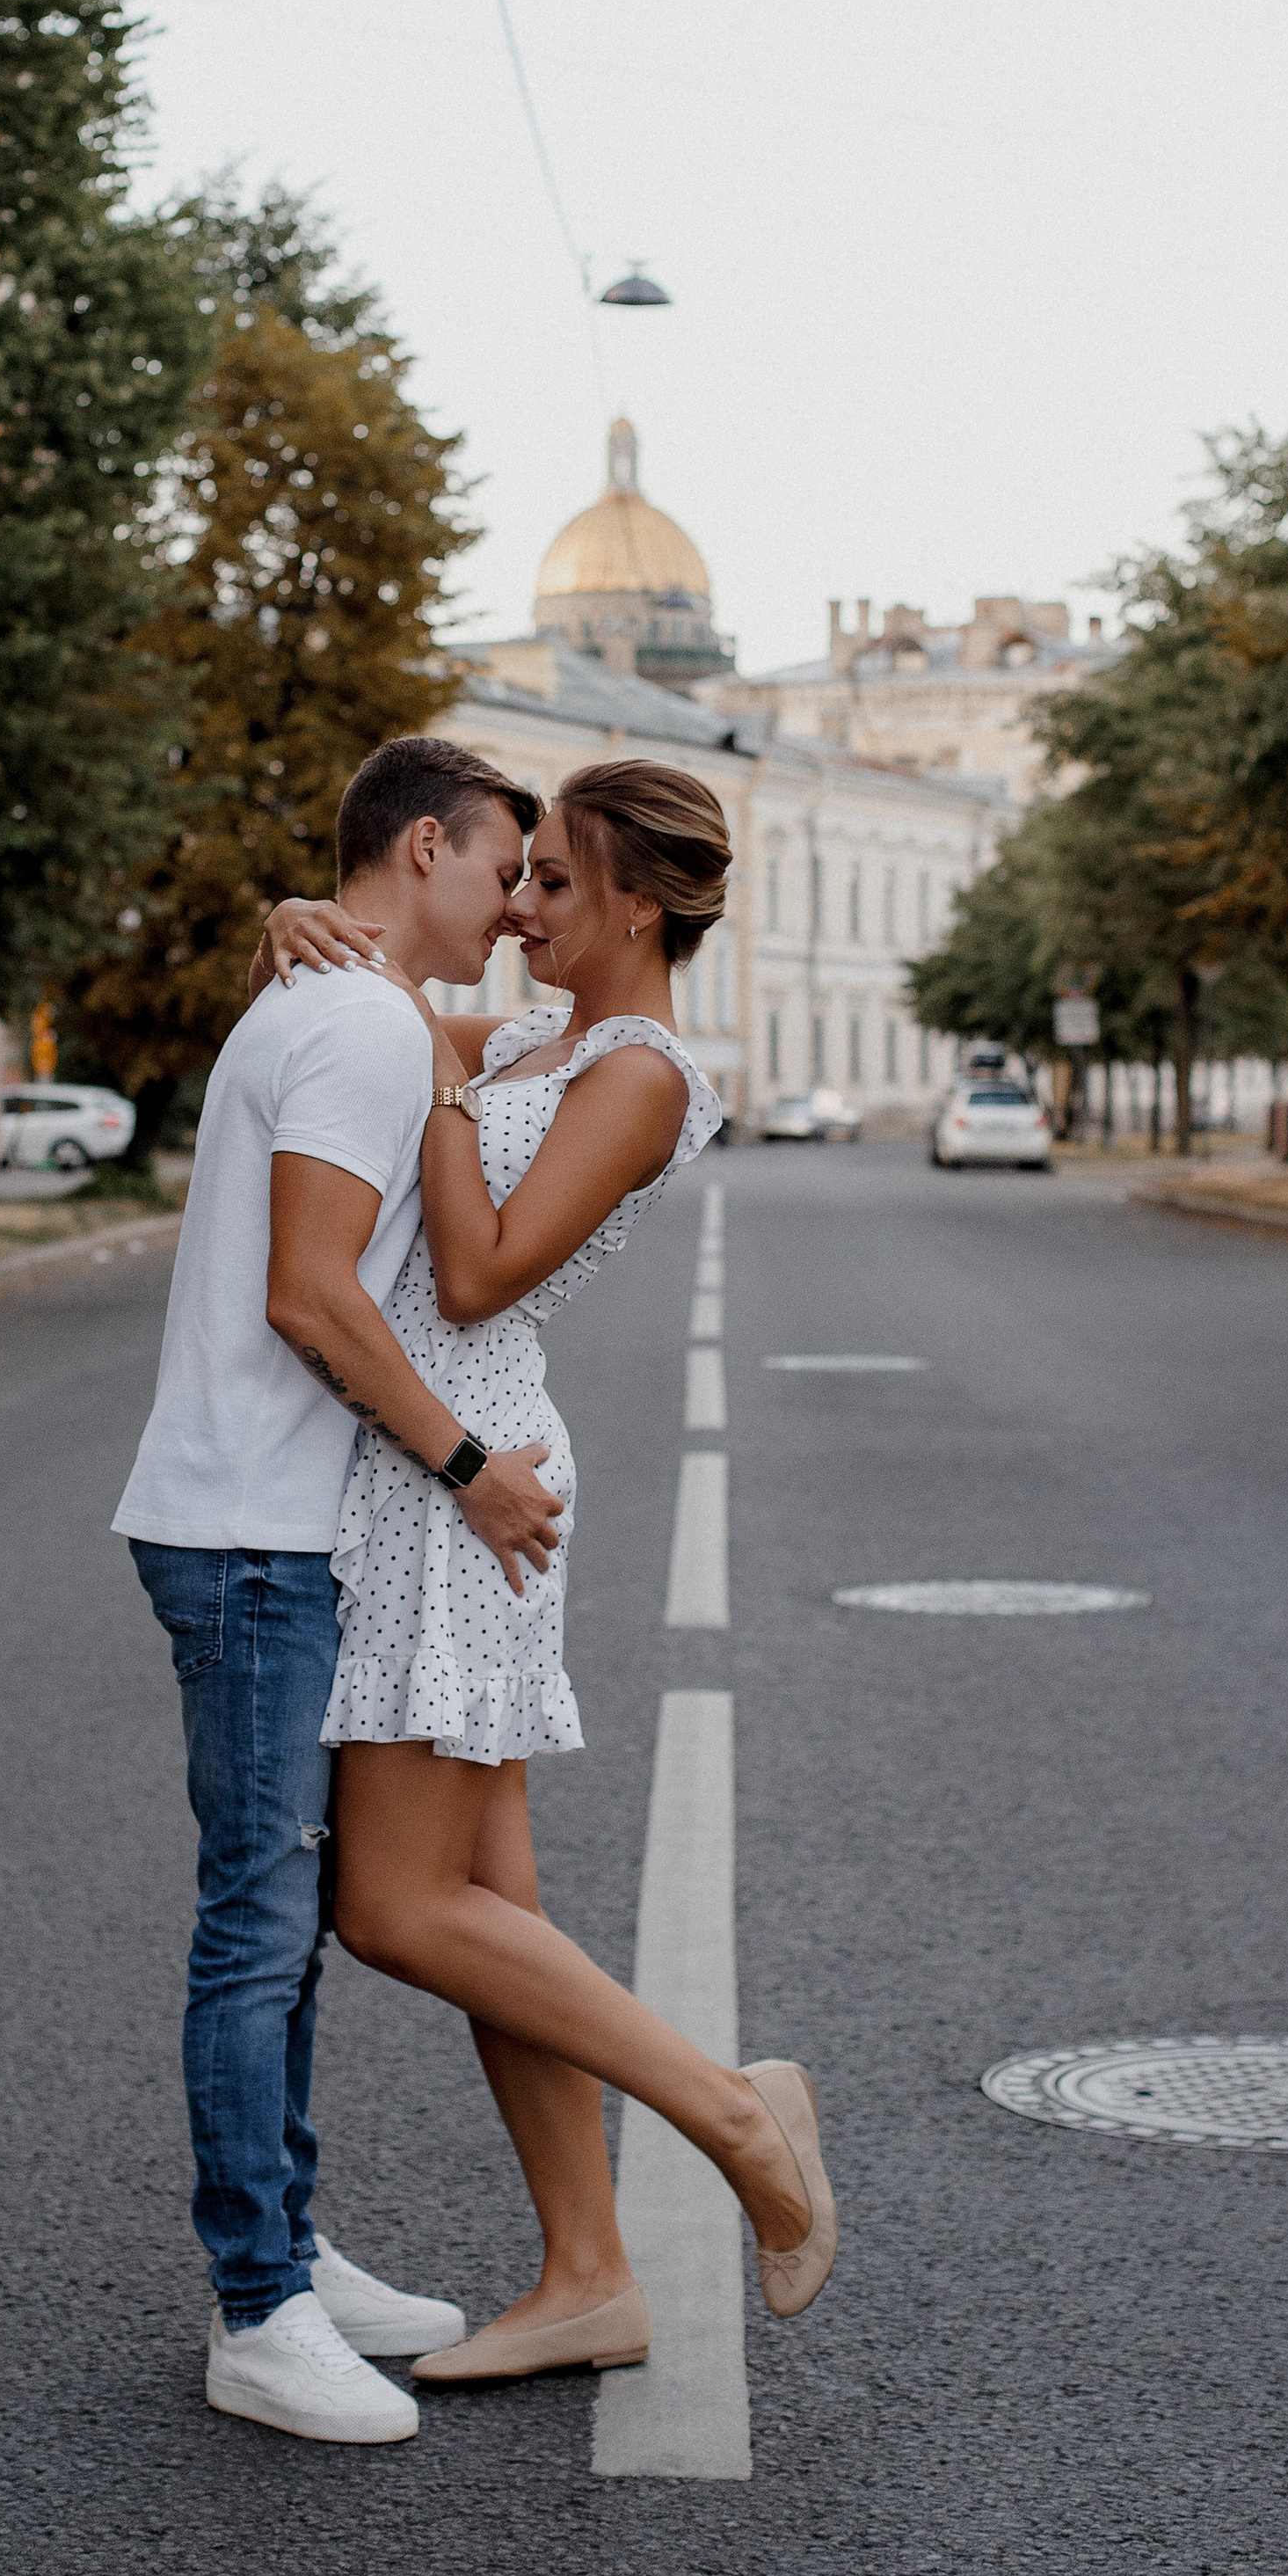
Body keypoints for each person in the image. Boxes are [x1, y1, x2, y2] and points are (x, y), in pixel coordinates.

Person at [254, 759, 836, 2388]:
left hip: (475, 1483)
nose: (520, 910)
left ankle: (737, 2118)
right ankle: (590, 2272)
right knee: (493, 1908)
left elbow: (477, 1268)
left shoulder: (642, 1073)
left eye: (557, 886)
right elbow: (368, 1011)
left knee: (393, 1907)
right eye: (520, 881)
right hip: (430, 1465)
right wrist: (297, 922)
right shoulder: (530, 1039)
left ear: (639, 908)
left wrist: (433, 1080)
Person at [112, 734, 567, 2447]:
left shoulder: (350, 1003)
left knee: (280, 1922)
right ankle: (255, 2309)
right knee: (253, 1922)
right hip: (245, 1534)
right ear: (428, 846)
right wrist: (468, 1469)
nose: (513, 907)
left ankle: (284, 2243)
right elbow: (315, 1292)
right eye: (501, 868)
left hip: (255, 1525)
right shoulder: (361, 1019)